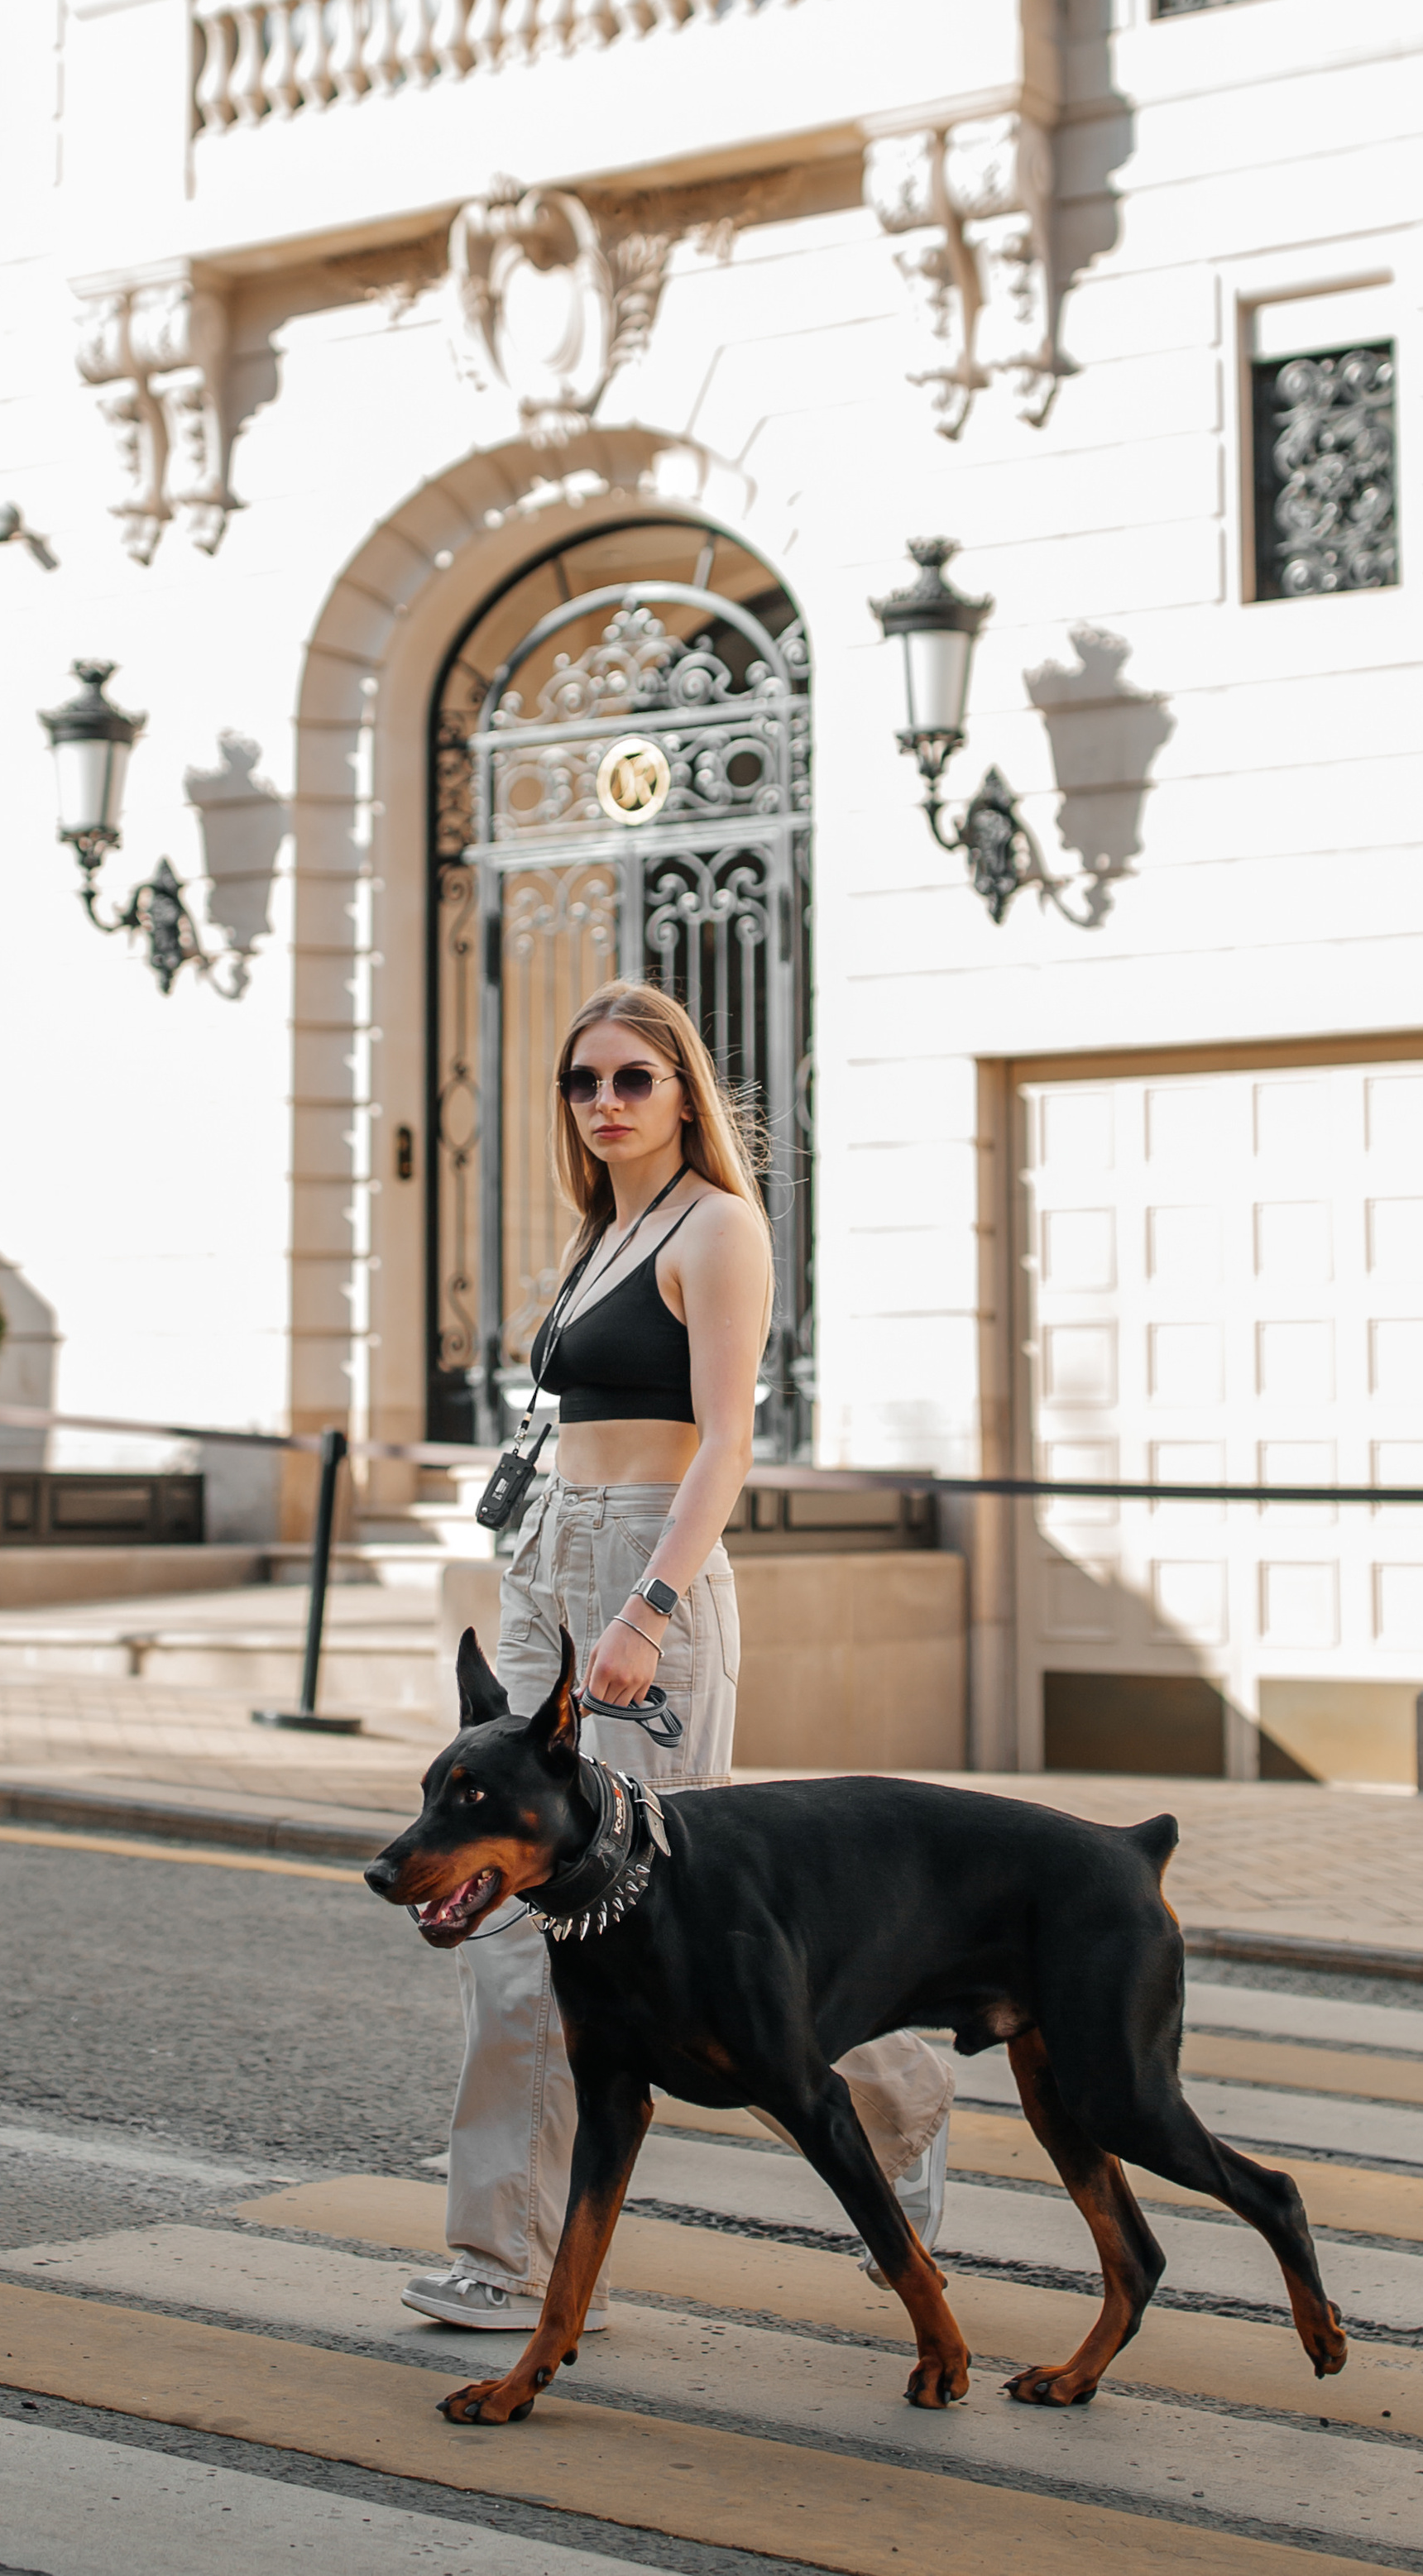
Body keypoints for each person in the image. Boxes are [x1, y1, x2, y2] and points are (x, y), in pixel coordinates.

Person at [403, 979, 953, 2330]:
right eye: (582, 1081)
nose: (602, 1103)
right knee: (513, 1918)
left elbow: (727, 1444)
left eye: (631, 1079)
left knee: (701, 1918)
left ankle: (899, 2101)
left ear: (682, 1088)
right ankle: (498, 2258)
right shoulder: (604, 1229)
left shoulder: (718, 1229)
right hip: (543, 1559)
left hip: (647, 1565)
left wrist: (646, 1610)